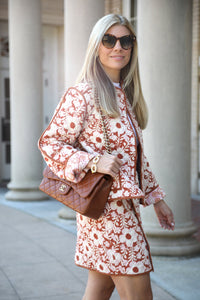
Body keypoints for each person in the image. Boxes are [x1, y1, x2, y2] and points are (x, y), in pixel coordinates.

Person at [38, 14, 175, 300]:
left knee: (99, 289)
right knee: (140, 294)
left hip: (121, 210)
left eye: (126, 40)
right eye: (109, 40)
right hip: (107, 214)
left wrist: (157, 199)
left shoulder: (124, 96)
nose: (118, 47)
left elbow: (135, 159)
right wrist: (92, 161)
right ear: (96, 46)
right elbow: (50, 143)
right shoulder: (83, 94)